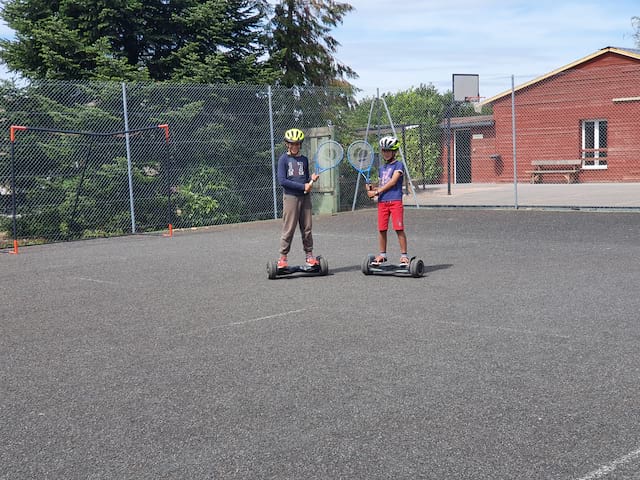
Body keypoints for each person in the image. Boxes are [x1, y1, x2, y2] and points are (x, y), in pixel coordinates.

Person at [276, 128, 320, 268]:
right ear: (287, 144)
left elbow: (305, 179)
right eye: (291, 144)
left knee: (307, 228)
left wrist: (311, 180)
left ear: (300, 144)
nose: (294, 146)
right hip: (291, 198)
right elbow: (282, 181)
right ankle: (283, 258)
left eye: (297, 144)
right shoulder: (284, 159)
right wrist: (302, 187)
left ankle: (309, 256)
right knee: (289, 228)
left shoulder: (304, 160)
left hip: (305, 198)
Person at [366, 135, 409, 265]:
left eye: (388, 150)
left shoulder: (398, 165)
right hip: (382, 203)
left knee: (398, 228)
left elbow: (392, 182)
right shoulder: (381, 169)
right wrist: (372, 189)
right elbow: (382, 184)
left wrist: (378, 190)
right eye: (384, 150)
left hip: (395, 201)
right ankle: (382, 255)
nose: (386, 153)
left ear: (394, 151)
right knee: (382, 229)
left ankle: (404, 256)